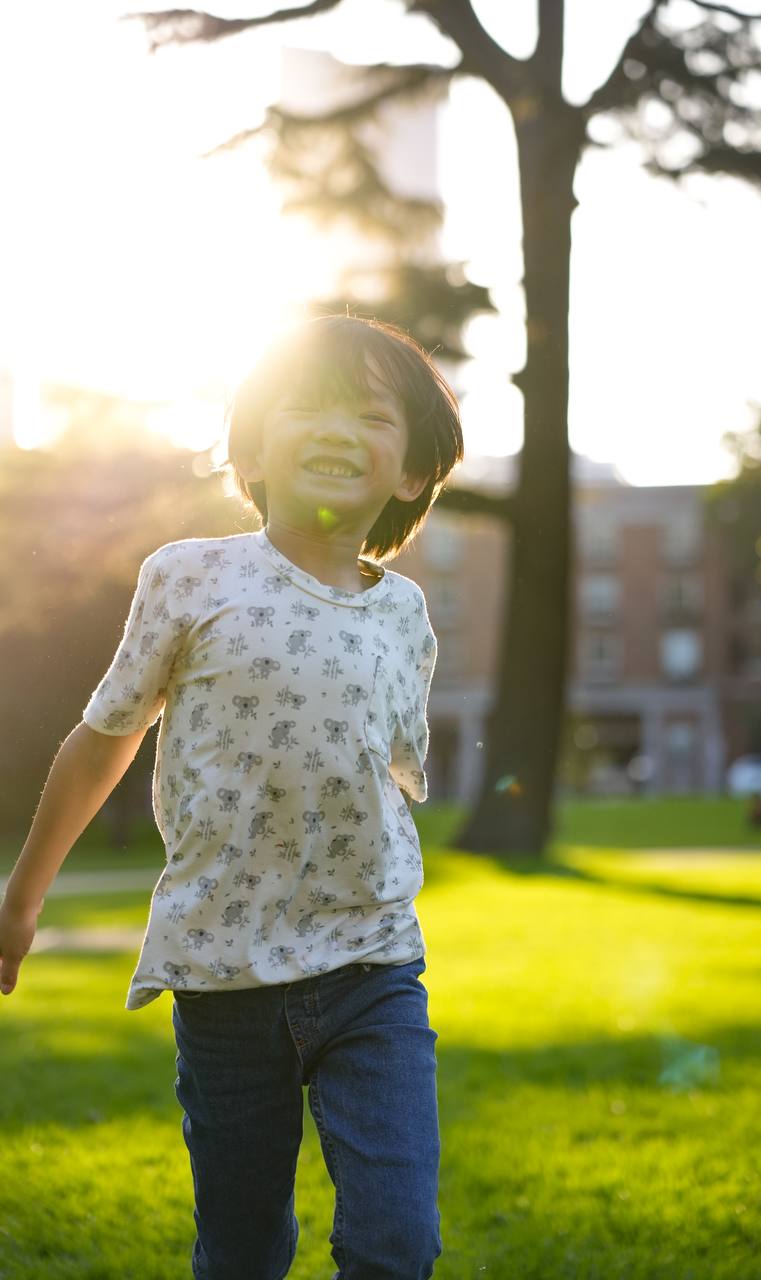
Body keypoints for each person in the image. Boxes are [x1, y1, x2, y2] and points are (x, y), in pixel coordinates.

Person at [0, 313, 465, 1280]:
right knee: (244, 1250)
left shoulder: (404, 616)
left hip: (370, 967)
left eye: (371, 415)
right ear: (251, 447)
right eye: (307, 406)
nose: (337, 429)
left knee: (396, 1243)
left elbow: (389, 772)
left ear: (413, 470)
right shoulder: (190, 577)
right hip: (221, 974)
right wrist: (22, 897)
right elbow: (103, 740)